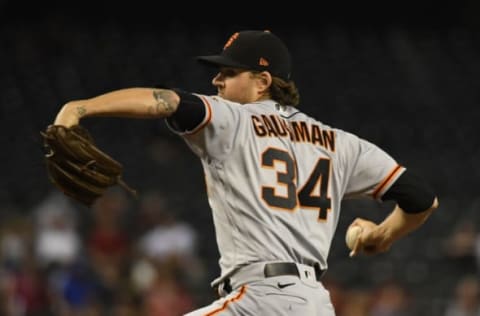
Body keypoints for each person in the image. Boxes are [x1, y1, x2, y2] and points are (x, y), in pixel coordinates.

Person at [51, 30, 439, 315]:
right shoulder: (341, 143)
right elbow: (420, 197)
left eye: (229, 72)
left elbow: (165, 101)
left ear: (262, 81)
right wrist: (382, 235)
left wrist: (80, 108)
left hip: (261, 300)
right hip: (315, 305)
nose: (217, 80)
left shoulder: (232, 118)